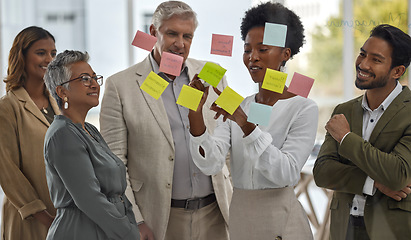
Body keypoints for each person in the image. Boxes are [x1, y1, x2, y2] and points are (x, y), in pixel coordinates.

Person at [100, 1, 232, 240]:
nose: (180, 44)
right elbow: (114, 164)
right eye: (172, 34)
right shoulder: (120, 86)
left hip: (217, 214)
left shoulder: (214, 76)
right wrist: (136, 220)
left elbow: (229, 143)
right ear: (153, 32)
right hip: (159, 218)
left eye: (187, 36)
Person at [188, 2, 317, 240]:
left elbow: (286, 173)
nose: (252, 57)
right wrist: (195, 115)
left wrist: (244, 123)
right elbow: (211, 164)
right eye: (247, 49)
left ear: (285, 54)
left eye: (263, 49)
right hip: (240, 219)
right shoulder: (240, 105)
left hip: (282, 221)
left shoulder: (303, 107)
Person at [313, 24, 411, 240]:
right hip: (343, 228)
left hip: (391, 231)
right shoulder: (344, 111)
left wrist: (346, 138)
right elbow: (322, 172)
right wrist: (374, 182)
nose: (363, 64)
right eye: (362, 54)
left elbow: (397, 174)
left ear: (397, 71)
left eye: (376, 60)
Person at [43, 50, 140, 240]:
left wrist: (132, 225)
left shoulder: (89, 130)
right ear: (62, 91)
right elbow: (90, 200)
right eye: (85, 79)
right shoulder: (63, 134)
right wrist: (129, 234)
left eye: (95, 78)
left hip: (107, 230)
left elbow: (118, 192)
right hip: (80, 231)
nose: (94, 84)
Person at [0, 26, 58, 240]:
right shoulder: (8, 108)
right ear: (21, 57)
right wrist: (44, 216)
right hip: (31, 219)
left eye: (53, 53)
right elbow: (7, 171)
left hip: (63, 215)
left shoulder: (59, 104)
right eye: (41, 53)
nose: (49, 60)